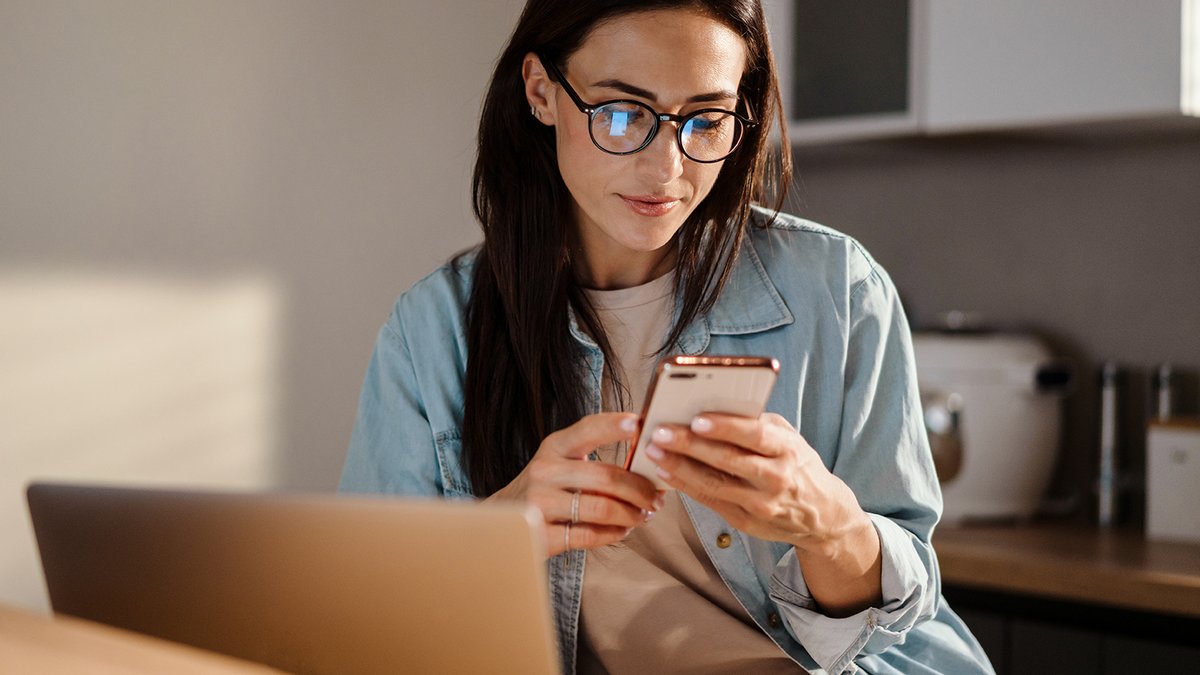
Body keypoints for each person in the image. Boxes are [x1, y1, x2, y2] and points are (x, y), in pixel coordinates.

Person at [339, 1, 994, 673]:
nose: (667, 169)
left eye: (706, 121)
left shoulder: (840, 290)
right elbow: (360, 620)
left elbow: (900, 618)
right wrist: (499, 532)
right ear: (541, 92)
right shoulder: (434, 330)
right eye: (623, 115)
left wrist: (828, 523)